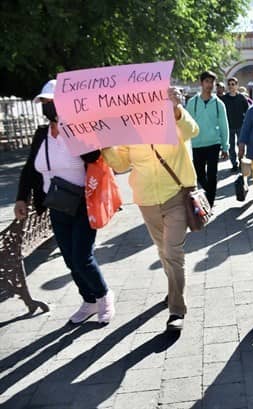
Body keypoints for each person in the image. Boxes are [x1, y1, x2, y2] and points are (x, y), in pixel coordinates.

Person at [15, 80, 115, 325]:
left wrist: (70, 130)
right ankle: (89, 300)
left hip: (83, 202)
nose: (48, 106)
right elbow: (31, 169)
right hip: (56, 204)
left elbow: (93, 156)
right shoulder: (42, 134)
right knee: (70, 259)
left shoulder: (79, 130)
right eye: (45, 103)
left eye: (52, 102)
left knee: (82, 257)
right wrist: (21, 198)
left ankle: (104, 296)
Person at [102, 87, 199, 332]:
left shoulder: (170, 115)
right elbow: (121, 164)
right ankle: (173, 288)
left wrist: (176, 109)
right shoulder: (127, 127)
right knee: (162, 250)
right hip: (146, 201)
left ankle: (177, 309)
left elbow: (192, 130)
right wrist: (105, 145)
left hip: (176, 196)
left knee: (172, 251)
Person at [186, 71, 229, 207]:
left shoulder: (218, 104)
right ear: (201, 83)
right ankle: (206, 193)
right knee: (199, 175)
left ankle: (209, 202)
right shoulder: (193, 103)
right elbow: (186, 124)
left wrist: (225, 146)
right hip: (196, 144)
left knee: (212, 174)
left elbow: (224, 125)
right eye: (207, 81)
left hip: (213, 144)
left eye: (212, 82)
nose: (209, 85)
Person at [221, 77, 250, 172]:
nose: (231, 86)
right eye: (229, 84)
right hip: (228, 126)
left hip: (240, 126)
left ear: (237, 86)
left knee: (241, 145)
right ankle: (234, 164)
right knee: (231, 147)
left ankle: (242, 162)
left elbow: (247, 111)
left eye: (233, 84)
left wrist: (247, 123)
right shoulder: (224, 99)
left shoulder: (241, 97)